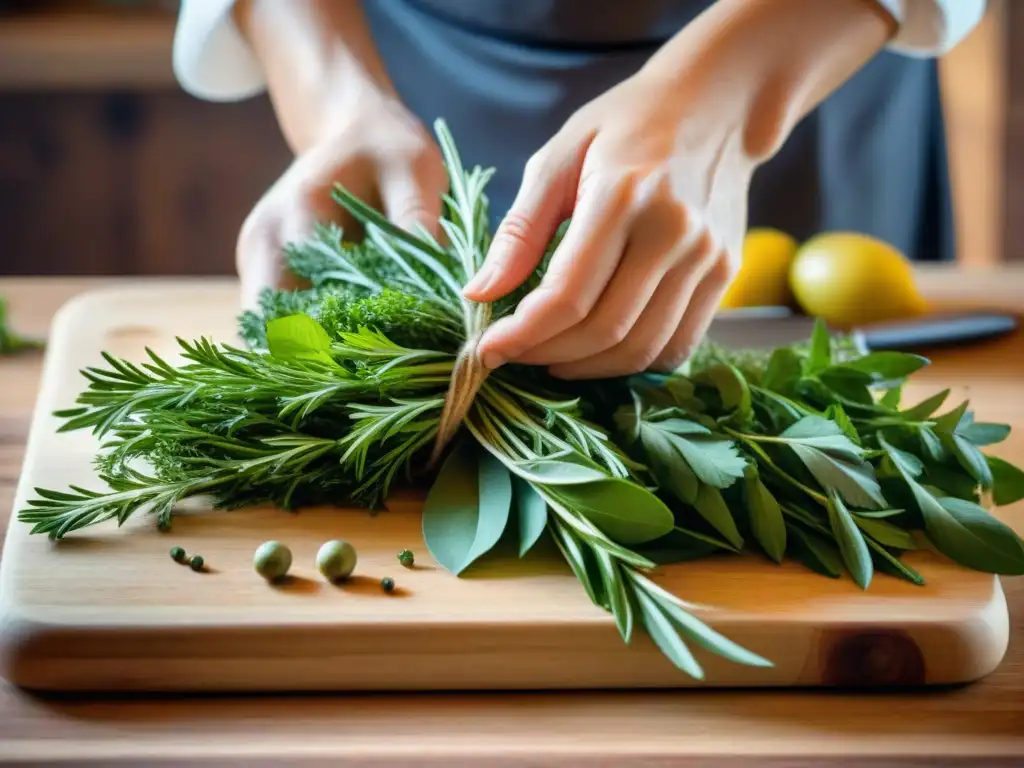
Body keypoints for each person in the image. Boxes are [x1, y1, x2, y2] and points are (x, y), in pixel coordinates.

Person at [173, 0, 985, 379]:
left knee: (824, 398)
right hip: (418, 64)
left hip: (806, 67)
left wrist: (731, 104)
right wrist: (338, 107)